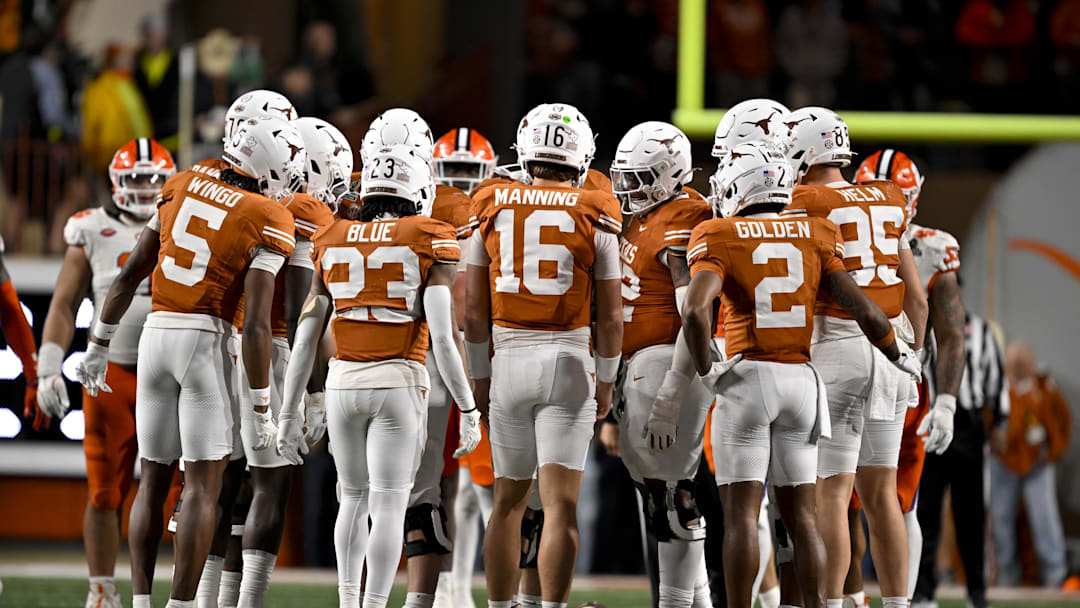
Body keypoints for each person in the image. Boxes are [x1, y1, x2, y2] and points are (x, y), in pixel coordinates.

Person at [682, 142, 921, 608]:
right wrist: (900, 354)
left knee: (743, 516)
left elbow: (694, 308)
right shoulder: (815, 232)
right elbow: (867, 310)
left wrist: (707, 368)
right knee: (806, 516)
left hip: (749, 377)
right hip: (803, 382)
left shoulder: (719, 232)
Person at [74, 115, 300, 608]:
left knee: (151, 478)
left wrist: (98, 345)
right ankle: (180, 604)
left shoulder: (180, 183)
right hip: (205, 339)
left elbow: (130, 275)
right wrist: (262, 408)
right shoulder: (269, 214)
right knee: (201, 486)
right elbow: (259, 323)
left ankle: (139, 600)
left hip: (156, 332)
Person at [275, 143, 481, 608]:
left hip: (343, 380)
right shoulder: (429, 236)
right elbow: (445, 339)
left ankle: (349, 603)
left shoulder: (333, 235)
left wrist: (288, 414)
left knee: (351, 499)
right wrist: (468, 408)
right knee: (389, 504)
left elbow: (306, 336)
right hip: (399, 381)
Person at [464, 102, 623, 608]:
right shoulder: (595, 209)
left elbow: (473, 312)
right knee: (560, 506)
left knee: (507, 504)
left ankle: (500, 606)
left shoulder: (489, 202)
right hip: (569, 360)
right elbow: (611, 317)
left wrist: (480, 377)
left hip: (508, 357)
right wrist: (607, 381)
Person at [783, 107, 928, 608]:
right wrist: (913, 357)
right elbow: (918, 298)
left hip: (838, 342)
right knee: (882, 493)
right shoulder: (890, 197)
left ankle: (829, 602)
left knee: (833, 492)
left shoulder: (804, 199)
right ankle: (897, 603)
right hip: (892, 346)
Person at [35, 138, 174, 608]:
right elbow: (63, 303)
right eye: (135, 178)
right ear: (115, 182)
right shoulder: (91, 228)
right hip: (110, 374)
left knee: (182, 490)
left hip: (172, 376)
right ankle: (102, 589)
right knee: (104, 491)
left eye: (154, 180)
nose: (143, 188)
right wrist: (48, 366)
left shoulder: (187, 222)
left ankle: (186, 588)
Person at [851, 149, 969, 605]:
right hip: (853, 375)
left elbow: (952, 332)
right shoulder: (839, 233)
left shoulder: (932, 248)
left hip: (904, 386)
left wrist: (946, 402)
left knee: (900, 503)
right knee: (843, 500)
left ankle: (901, 602)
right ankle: (852, 599)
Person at [611, 121, 714, 608]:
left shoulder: (684, 217)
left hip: (664, 365)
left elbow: (691, 314)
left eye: (640, 177)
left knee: (675, 497)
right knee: (663, 494)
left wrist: (673, 393)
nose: (628, 189)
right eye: (624, 176)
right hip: (640, 366)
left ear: (670, 174)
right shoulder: (645, 215)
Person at [914, 309, 1007, 608]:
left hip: (967, 424)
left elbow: (996, 377)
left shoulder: (981, 330)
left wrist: (1001, 420)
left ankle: (976, 592)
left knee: (971, 514)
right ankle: (923, 591)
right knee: (925, 512)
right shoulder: (925, 324)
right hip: (931, 420)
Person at [992, 342, 1069, 588]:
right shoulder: (997, 387)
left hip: (1038, 464)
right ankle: (1006, 576)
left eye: (1024, 362)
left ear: (1032, 362)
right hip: (1003, 464)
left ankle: (1055, 576)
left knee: (1045, 519)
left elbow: (1063, 420)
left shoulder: (1045, 385)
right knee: (1000, 519)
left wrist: (1054, 452)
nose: (1019, 367)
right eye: (1015, 362)